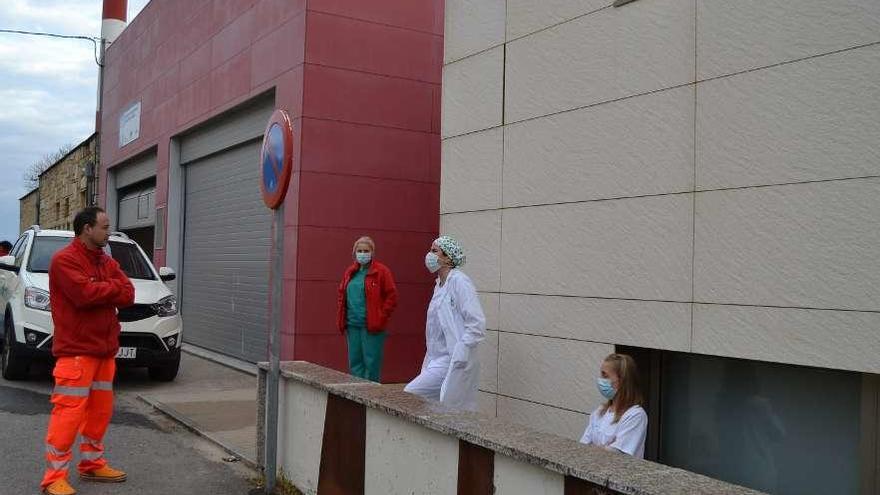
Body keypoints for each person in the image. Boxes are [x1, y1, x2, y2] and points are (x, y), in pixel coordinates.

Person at [40, 207, 135, 495]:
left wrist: (100, 285)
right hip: (77, 352)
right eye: (104, 227)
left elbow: (128, 293)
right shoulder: (64, 260)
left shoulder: (105, 261)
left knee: (100, 412)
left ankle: (92, 464)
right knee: (68, 415)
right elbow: (83, 296)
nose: (109, 231)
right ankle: (53, 477)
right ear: (86, 229)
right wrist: (107, 288)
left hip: (104, 351)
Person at [404, 236, 485, 411]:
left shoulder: (459, 281)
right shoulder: (439, 285)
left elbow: (476, 323)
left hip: (452, 357)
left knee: (410, 394)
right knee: (437, 408)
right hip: (436, 357)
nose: (429, 255)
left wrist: (462, 350)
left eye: (434, 251)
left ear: (448, 258)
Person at [336, 236, 398, 382]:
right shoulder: (350, 272)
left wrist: (381, 316)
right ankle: (357, 394)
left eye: (366, 250)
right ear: (354, 253)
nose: (362, 254)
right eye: (360, 251)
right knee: (355, 362)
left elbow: (392, 296)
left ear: (372, 252)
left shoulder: (381, 271)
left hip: (372, 326)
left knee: (371, 363)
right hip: (352, 324)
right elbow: (341, 294)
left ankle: (371, 396)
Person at [579, 353, 648, 458]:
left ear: (621, 381)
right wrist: (606, 447)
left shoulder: (635, 415)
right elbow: (582, 447)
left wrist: (598, 448)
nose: (600, 379)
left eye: (605, 375)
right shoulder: (600, 412)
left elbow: (617, 454)